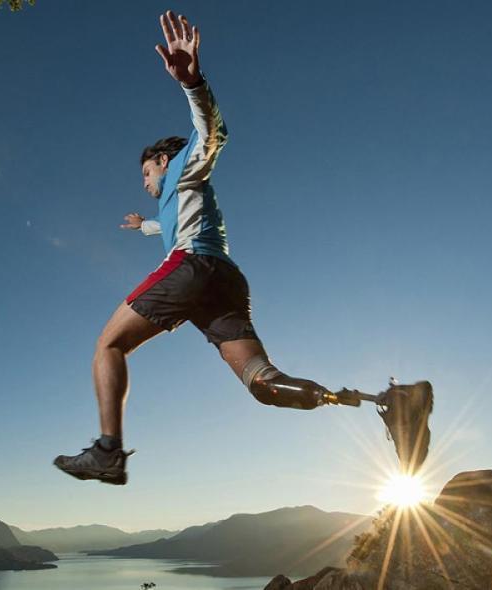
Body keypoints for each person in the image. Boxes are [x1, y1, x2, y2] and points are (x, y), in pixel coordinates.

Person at [54, 11, 432, 486]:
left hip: (192, 267)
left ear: (162, 160)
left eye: (146, 173)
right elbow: (172, 224)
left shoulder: (183, 168)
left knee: (108, 344)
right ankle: (390, 402)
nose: (146, 182)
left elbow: (213, 134)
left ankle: (108, 451)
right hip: (223, 282)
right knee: (264, 384)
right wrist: (144, 225)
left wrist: (192, 83)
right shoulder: (178, 198)